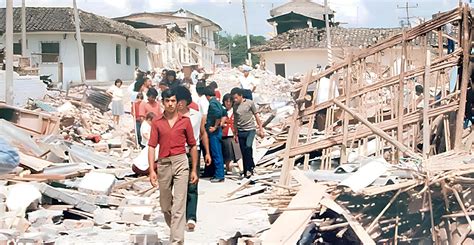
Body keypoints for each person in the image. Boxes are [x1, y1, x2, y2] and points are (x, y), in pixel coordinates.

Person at [148, 89, 198, 244]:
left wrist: (194, 169)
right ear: (163, 102)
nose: (170, 104)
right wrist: (151, 170)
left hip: (181, 162)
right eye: (167, 101)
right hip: (163, 164)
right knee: (165, 205)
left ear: (178, 103)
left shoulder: (185, 121)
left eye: (173, 101)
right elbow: (151, 146)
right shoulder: (157, 122)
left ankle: (176, 241)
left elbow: (193, 145)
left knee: (179, 203)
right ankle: (177, 227)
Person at [175, 86, 211, 231]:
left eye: (182, 100)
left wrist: (207, 152)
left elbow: (203, 134)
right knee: (177, 186)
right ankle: (179, 215)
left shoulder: (197, 115)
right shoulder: (171, 116)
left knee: (192, 185)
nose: (180, 103)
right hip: (176, 153)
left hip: (193, 152)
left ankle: (191, 217)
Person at [231, 88, 264, 178]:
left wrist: (261, 129)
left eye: (236, 97)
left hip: (250, 130)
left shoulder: (249, 103)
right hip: (241, 131)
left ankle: (250, 168)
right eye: (234, 98)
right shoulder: (235, 106)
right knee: (243, 151)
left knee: (248, 147)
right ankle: (247, 169)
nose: (235, 100)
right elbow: (235, 120)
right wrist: (234, 133)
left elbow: (256, 116)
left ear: (241, 96)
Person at [204, 86, 226, 182]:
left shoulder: (212, 103)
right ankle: (219, 174)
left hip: (214, 133)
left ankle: (219, 175)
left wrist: (215, 126)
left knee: (216, 153)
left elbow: (217, 114)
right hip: (218, 131)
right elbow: (224, 112)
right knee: (218, 153)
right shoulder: (217, 102)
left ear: (207, 96)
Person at [196, 82, 213, 178]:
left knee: (206, 149)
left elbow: (204, 115)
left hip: (204, 127)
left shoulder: (202, 101)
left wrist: (201, 129)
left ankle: (209, 170)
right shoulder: (202, 100)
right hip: (204, 126)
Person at [221, 93, 242, 173]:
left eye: (230, 101)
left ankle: (241, 169)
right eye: (226, 101)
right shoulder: (222, 111)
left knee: (238, 154)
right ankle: (228, 169)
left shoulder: (235, 110)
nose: (228, 103)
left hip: (233, 135)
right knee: (227, 155)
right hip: (224, 135)